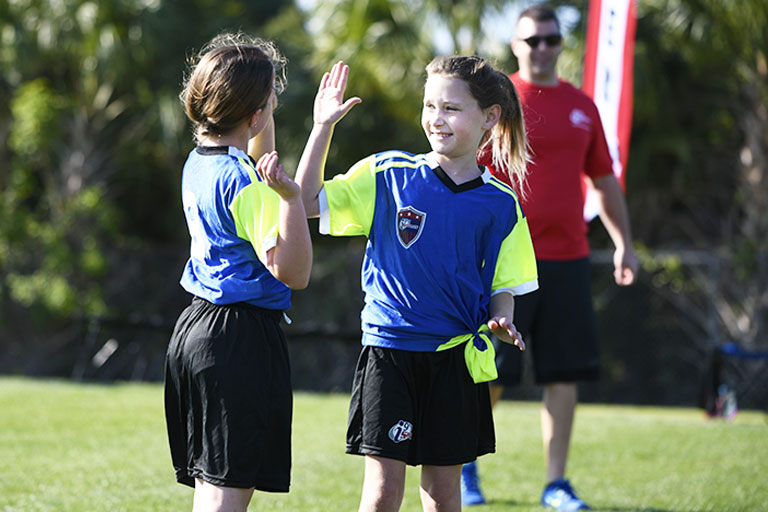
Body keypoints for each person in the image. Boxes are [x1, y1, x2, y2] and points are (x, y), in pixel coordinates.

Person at [295, 58, 538, 512]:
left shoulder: (501, 204)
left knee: (443, 494)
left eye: (451, 107)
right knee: (384, 492)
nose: (436, 118)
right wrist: (322, 128)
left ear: (489, 117)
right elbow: (306, 200)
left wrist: (501, 318)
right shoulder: (388, 175)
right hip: (391, 354)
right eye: (429, 105)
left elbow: (504, 282)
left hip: (454, 361)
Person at [460, 4, 639, 510]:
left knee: (564, 375)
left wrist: (624, 241)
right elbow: (464, 177)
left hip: (568, 260)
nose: (542, 48)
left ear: (562, 44)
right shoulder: (494, 105)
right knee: (490, 374)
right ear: (516, 46)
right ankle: (466, 467)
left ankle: (556, 483)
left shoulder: (584, 107)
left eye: (550, 39)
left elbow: (603, 181)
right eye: (531, 40)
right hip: (501, 266)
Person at [163, 32, 312, 512]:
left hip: (196, 329)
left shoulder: (199, 163)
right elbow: (294, 272)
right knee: (228, 492)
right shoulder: (245, 184)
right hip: (239, 339)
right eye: (270, 100)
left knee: (212, 486)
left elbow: (253, 152)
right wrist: (290, 200)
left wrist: (261, 112)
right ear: (254, 113)